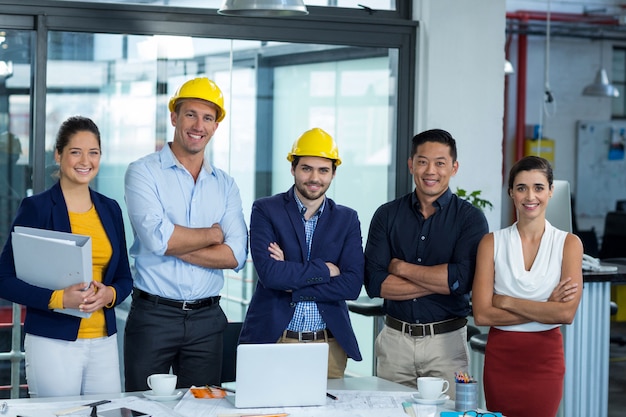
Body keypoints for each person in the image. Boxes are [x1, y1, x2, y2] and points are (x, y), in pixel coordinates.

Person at [123, 77, 248, 391]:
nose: (199, 125)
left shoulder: (225, 184)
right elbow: (157, 239)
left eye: (208, 118)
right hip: (153, 316)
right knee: (143, 409)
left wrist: (171, 242)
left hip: (207, 320)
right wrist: (210, 235)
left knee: (202, 411)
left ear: (216, 126)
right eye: (191, 114)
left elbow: (235, 255)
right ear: (174, 117)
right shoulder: (142, 172)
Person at [0, 116, 133, 397]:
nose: (85, 160)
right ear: (58, 154)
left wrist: (109, 293)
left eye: (93, 152)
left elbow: (124, 277)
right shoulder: (37, 208)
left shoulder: (110, 209)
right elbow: (5, 279)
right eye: (76, 151)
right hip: (53, 341)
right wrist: (59, 299)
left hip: (104, 341)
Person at [364, 128, 488, 397]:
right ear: (411, 164)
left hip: (447, 345)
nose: (430, 170)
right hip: (395, 342)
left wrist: (400, 268)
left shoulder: (470, 219)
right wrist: (442, 281)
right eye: (422, 161)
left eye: (440, 163)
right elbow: (375, 283)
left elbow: (463, 280)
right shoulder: (386, 215)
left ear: (454, 168)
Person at [239, 128, 363, 378]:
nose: (314, 177)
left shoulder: (347, 219)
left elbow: (351, 286)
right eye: (306, 168)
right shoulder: (266, 210)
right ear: (293, 168)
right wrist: (326, 270)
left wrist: (292, 280)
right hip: (276, 341)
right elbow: (271, 276)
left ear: (334, 173)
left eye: (323, 170)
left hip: (329, 348)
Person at [472, 156, 583, 417]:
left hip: (545, 359)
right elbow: (482, 315)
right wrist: (546, 307)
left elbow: (565, 314)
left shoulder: (569, 244)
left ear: (551, 191)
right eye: (521, 188)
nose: (530, 196)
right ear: (511, 192)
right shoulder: (491, 243)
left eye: (538, 187)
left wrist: (506, 301)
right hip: (502, 358)